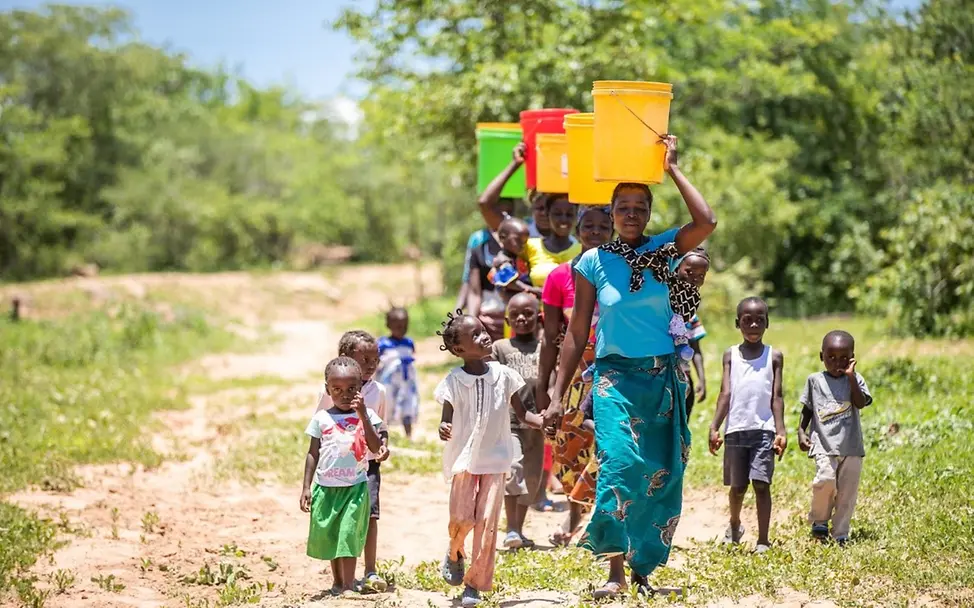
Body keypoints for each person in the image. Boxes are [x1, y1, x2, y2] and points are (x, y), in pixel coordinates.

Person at [545, 135, 717, 599]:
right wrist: (558, 395)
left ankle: (644, 570)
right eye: (624, 206)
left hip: (662, 378)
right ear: (612, 211)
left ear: (649, 212)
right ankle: (615, 573)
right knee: (620, 466)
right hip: (614, 379)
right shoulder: (591, 262)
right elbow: (577, 332)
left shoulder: (666, 250)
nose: (632, 214)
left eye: (641, 206)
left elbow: (707, 220)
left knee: (660, 474)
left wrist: (674, 166)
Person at [435, 311, 543, 607]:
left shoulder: (505, 376)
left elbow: (523, 414)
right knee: (461, 518)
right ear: (459, 350)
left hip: (495, 460)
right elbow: (446, 418)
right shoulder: (454, 381)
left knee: (486, 524)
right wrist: (444, 427)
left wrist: (543, 421)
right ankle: (455, 551)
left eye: (483, 330)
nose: (485, 336)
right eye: (476, 335)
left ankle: (474, 584)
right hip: (465, 461)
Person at [537, 205, 613, 546]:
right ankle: (573, 511)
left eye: (603, 226)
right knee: (569, 444)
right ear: (578, 230)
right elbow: (551, 337)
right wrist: (546, 388)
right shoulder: (558, 277)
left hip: (614, 367)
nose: (595, 231)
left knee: (608, 442)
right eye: (589, 225)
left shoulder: (621, 271)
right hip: (573, 373)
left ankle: (597, 519)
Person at [301, 357, 386, 595]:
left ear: (361, 389)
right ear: (328, 389)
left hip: (355, 488)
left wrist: (363, 416)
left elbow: (374, 445)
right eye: (337, 389)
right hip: (326, 488)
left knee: (347, 534)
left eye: (352, 389)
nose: (345, 395)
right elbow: (312, 453)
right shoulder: (321, 418)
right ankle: (337, 583)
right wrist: (306, 487)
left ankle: (349, 585)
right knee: (331, 536)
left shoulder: (367, 415)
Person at [708, 297, 787, 553]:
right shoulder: (730, 355)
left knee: (762, 484)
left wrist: (781, 430)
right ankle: (734, 524)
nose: (753, 325)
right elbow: (725, 393)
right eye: (747, 320)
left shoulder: (773, 356)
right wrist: (714, 426)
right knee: (738, 487)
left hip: (764, 430)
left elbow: (777, 396)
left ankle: (763, 540)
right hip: (736, 431)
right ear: (737, 323)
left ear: (767, 323)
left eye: (759, 320)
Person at [797, 330, 873, 545]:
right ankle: (820, 520)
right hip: (823, 443)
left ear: (852, 358)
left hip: (851, 447)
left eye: (843, 358)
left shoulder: (856, 379)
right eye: (831, 357)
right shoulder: (815, 380)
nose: (837, 362)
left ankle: (840, 533)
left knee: (847, 494)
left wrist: (851, 377)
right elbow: (808, 409)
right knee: (825, 481)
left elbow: (859, 403)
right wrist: (801, 431)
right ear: (821, 356)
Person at [490, 293, 545, 550]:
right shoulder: (500, 348)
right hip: (509, 423)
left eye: (528, 313)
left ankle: (519, 530)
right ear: (507, 319)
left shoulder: (545, 348)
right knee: (514, 469)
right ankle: (510, 528)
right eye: (516, 315)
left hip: (538, 424)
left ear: (539, 316)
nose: (522, 318)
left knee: (532, 479)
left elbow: (552, 378)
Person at [675, 249, 712, 417]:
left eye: (700, 275)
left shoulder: (691, 315)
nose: (694, 277)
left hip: (684, 378)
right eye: (689, 271)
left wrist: (702, 379)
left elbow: (695, 348)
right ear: (676, 268)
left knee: (681, 424)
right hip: (658, 375)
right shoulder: (661, 306)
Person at [377, 307, 420, 439]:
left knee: (409, 404)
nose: (402, 329)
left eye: (404, 326)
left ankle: (408, 435)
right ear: (389, 325)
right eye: (398, 326)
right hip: (389, 382)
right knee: (387, 405)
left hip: (407, 381)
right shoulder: (383, 344)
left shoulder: (409, 343)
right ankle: (383, 433)